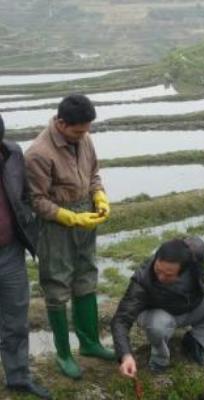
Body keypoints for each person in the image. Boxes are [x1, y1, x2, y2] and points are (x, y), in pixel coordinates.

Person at [24, 94, 114, 379]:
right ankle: (63, 353)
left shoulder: (83, 138)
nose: (84, 135)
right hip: (56, 224)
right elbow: (35, 200)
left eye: (87, 130)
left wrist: (99, 196)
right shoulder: (38, 153)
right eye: (78, 131)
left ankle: (89, 343)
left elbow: (94, 173)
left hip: (85, 215)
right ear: (61, 123)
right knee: (57, 283)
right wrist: (69, 217)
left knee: (86, 274)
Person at [111, 237, 204, 376]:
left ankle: (196, 341)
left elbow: (202, 279)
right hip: (159, 314)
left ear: (184, 269)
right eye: (158, 270)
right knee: (157, 326)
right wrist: (125, 356)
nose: (160, 277)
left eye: (168, 275)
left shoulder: (197, 256)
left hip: (190, 305)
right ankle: (160, 359)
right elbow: (120, 320)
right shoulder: (142, 279)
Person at [0, 115, 51, 398]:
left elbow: (23, 194)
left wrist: (27, 219)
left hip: (9, 252)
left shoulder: (12, 154)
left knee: (16, 318)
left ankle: (18, 376)